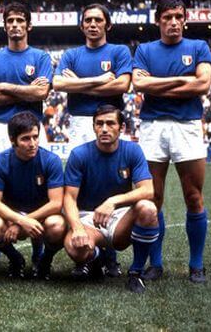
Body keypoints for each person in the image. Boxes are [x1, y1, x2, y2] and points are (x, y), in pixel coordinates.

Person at [132, 0, 211, 284]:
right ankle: (156, 263)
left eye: (178, 16)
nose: (173, 22)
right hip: (153, 127)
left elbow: (203, 84)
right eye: (167, 17)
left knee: (193, 196)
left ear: (185, 19)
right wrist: (183, 81)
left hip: (187, 126)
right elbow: (140, 84)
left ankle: (196, 264)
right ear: (158, 21)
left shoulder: (198, 47)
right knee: (152, 198)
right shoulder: (145, 49)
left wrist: (158, 84)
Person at [53, 3, 133, 278]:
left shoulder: (119, 51)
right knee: (80, 185)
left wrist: (79, 82)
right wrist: (100, 80)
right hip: (79, 122)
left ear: (107, 25)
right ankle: (90, 253)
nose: (92, 24)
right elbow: (59, 84)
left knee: (112, 182)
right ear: (82, 25)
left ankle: (110, 254)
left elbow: (122, 85)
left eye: (98, 20)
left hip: (109, 123)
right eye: (87, 20)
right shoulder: (72, 54)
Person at [0, 2, 53, 271]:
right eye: (10, 21)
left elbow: (41, 94)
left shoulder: (41, 57)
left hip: (32, 128)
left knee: (37, 185)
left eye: (20, 20)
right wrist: (25, 90)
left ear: (29, 25)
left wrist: (6, 87)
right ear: (5, 25)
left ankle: (37, 247)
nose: (15, 25)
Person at [63, 105, 159, 293]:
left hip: (119, 217)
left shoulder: (132, 151)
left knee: (148, 208)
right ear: (93, 127)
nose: (104, 129)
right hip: (88, 219)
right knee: (74, 248)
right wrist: (77, 228)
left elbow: (148, 190)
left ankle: (135, 273)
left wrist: (113, 201)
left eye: (110, 123)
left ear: (121, 128)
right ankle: (96, 258)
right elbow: (69, 198)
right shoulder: (79, 154)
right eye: (99, 124)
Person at [0, 111, 65, 280]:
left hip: (41, 214)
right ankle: (15, 259)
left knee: (57, 225)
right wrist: (19, 220)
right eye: (26, 138)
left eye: (35, 137)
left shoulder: (51, 160)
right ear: (13, 140)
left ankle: (43, 259)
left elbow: (56, 203)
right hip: (11, 215)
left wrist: (25, 221)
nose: (32, 143)